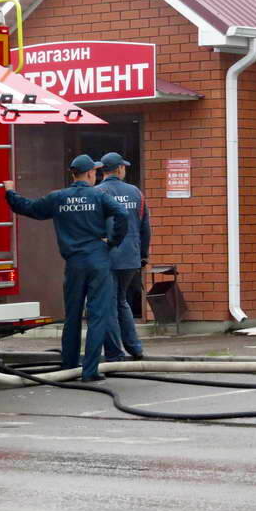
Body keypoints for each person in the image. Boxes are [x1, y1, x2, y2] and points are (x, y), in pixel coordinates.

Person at [3, 154, 128, 382]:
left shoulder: (58, 198)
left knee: (72, 316)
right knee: (98, 315)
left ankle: (69, 367)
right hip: (98, 260)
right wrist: (113, 241)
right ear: (91, 173)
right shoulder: (99, 196)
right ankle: (90, 371)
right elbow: (122, 213)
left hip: (74, 263)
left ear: (72, 174)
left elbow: (28, 208)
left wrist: (10, 192)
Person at [95, 152, 151, 362]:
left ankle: (114, 352)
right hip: (130, 257)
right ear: (119, 169)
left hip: (106, 256)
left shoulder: (97, 193)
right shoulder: (136, 193)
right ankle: (135, 348)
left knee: (109, 302)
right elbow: (146, 227)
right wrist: (142, 255)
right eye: (124, 167)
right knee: (121, 301)